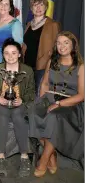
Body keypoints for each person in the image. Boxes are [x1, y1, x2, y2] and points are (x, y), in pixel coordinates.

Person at [28, 31, 84, 178]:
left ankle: (44, 159)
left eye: (66, 42)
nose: (62, 46)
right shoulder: (52, 62)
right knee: (33, 112)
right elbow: (45, 83)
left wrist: (59, 103)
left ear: (73, 45)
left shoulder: (81, 66)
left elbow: (81, 96)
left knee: (53, 117)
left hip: (70, 103)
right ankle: (52, 154)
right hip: (50, 97)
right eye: (59, 43)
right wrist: (41, 101)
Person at [0, 38, 35, 177]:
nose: (10, 56)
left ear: (19, 54)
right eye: (6, 53)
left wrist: (22, 100)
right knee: (3, 118)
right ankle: (1, 157)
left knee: (18, 117)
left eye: (14, 53)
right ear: (3, 54)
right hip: (1, 103)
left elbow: (31, 92)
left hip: (19, 104)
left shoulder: (27, 70)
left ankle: (24, 157)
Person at [22, 0, 61, 94]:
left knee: (39, 96)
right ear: (31, 9)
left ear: (46, 7)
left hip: (42, 67)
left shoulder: (53, 25)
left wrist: (50, 63)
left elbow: (57, 48)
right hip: (27, 66)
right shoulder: (29, 24)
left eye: (41, 5)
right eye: (35, 5)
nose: (38, 8)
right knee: (27, 95)